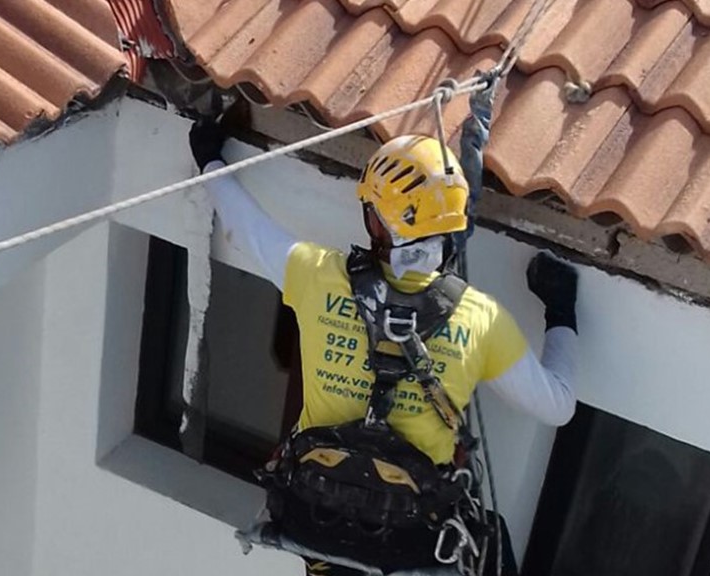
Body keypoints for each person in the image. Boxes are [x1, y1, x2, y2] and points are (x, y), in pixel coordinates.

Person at [189, 92, 579, 576]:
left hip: (322, 530)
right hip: (409, 544)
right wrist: (562, 310)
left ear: (379, 222)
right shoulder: (479, 320)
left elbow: (246, 228)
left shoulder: (315, 275)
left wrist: (208, 156)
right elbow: (557, 405)